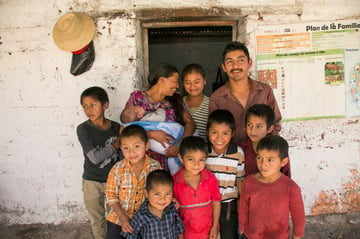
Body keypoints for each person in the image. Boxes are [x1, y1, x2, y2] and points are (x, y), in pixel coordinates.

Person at [120, 63, 196, 171]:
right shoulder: (137, 98)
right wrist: (151, 134)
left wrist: (180, 145)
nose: (177, 86)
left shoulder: (176, 99)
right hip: (145, 164)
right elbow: (125, 131)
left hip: (172, 159)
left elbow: (191, 123)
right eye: (175, 81)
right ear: (162, 81)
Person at [208, 41, 282, 144]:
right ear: (224, 67)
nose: (235, 66)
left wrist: (265, 150)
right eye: (230, 62)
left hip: (261, 156)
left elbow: (275, 123)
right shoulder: (217, 98)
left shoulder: (264, 91)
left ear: (249, 63)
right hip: (233, 157)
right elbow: (213, 131)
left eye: (241, 60)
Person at [239, 135, 305, 239]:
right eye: (259, 158)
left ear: (283, 162)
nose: (263, 164)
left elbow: (299, 218)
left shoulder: (291, 188)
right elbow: (243, 208)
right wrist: (242, 229)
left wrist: (297, 237)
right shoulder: (249, 182)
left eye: (270, 160)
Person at [76, 86, 121, 239]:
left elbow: (122, 155)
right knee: (97, 219)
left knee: (114, 219)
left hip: (112, 181)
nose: (88, 109)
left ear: (105, 105)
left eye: (93, 105)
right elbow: (94, 157)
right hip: (91, 181)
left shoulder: (116, 127)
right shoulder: (83, 129)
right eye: (84, 106)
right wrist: (115, 145)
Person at [105, 125, 161, 239]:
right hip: (117, 220)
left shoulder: (155, 167)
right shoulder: (117, 169)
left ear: (147, 146)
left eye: (136, 146)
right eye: (126, 148)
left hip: (143, 221)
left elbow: (160, 190)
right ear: (120, 148)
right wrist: (122, 217)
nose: (131, 152)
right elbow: (111, 196)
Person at [205, 109, 245, 239]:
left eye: (225, 133)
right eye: (214, 133)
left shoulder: (238, 153)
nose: (219, 138)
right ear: (207, 133)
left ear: (232, 134)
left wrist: (242, 205)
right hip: (206, 205)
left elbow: (239, 179)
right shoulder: (204, 152)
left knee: (229, 235)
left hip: (227, 205)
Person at [173, 136, 221, 239]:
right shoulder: (174, 182)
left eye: (201, 160)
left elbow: (216, 201)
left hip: (209, 232)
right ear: (181, 158)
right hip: (186, 234)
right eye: (191, 159)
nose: (196, 164)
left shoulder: (210, 178)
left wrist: (215, 226)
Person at [120, 169, 185, 239]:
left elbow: (179, 230)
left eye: (167, 194)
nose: (162, 199)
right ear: (146, 193)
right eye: (157, 194)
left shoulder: (172, 210)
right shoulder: (140, 217)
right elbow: (131, 236)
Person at [121, 106, 184, 175]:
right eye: (137, 107)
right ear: (139, 115)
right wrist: (160, 109)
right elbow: (161, 116)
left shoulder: (132, 127)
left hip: (168, 149)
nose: (140, 106)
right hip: (170, 141)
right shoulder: (147, 118)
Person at [239, 104, 291, 178]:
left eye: (259, 126)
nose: (253, 131)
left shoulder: (278, 149)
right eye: (249, 125)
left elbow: (286, 179)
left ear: (270, 129)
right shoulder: (240, 148)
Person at [181, 63, 209, 140]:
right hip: (183, 149)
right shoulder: (179, 103)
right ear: (183, 83)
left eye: (197, 82)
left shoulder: (212, 104)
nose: (192, 86)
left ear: (204, 80)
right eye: (187, 83)